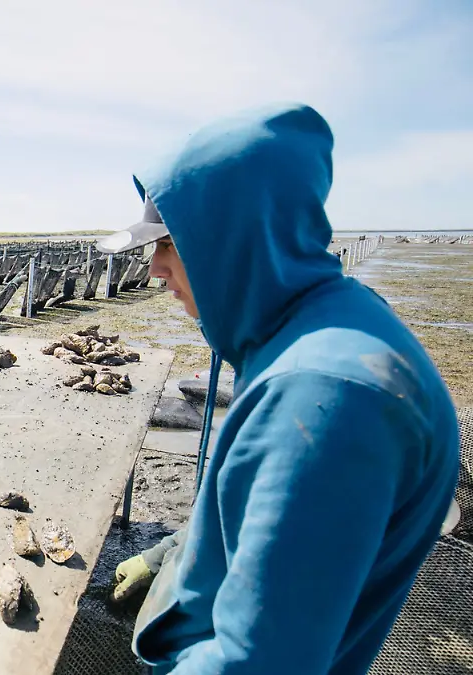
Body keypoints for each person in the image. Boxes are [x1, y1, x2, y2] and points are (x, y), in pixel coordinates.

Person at [96, 103, 459, 674]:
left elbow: (255, 662)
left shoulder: (326, 395)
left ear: (230, 236)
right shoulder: (314, 330)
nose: (153, 270)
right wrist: (175, 551)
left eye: (167, 244)